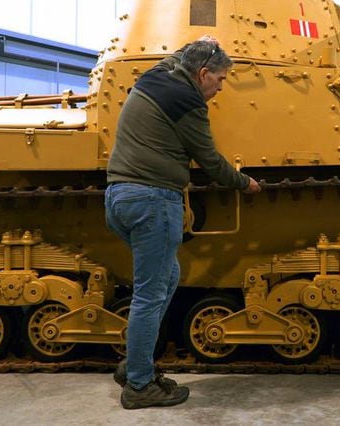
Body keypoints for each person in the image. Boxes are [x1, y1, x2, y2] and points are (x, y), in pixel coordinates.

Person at [105, 37, 261, 410]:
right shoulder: (188, 102)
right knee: (150, 292)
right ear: (202, 74)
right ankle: (140, 386)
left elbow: (182, 55)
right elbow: (209, 160)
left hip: (119, 197)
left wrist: (203, 43)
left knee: (167, 278)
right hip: (152, 200)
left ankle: (135, 365)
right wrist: (245, 183)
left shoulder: (157, 75)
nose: (220, 88)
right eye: (220, 79)